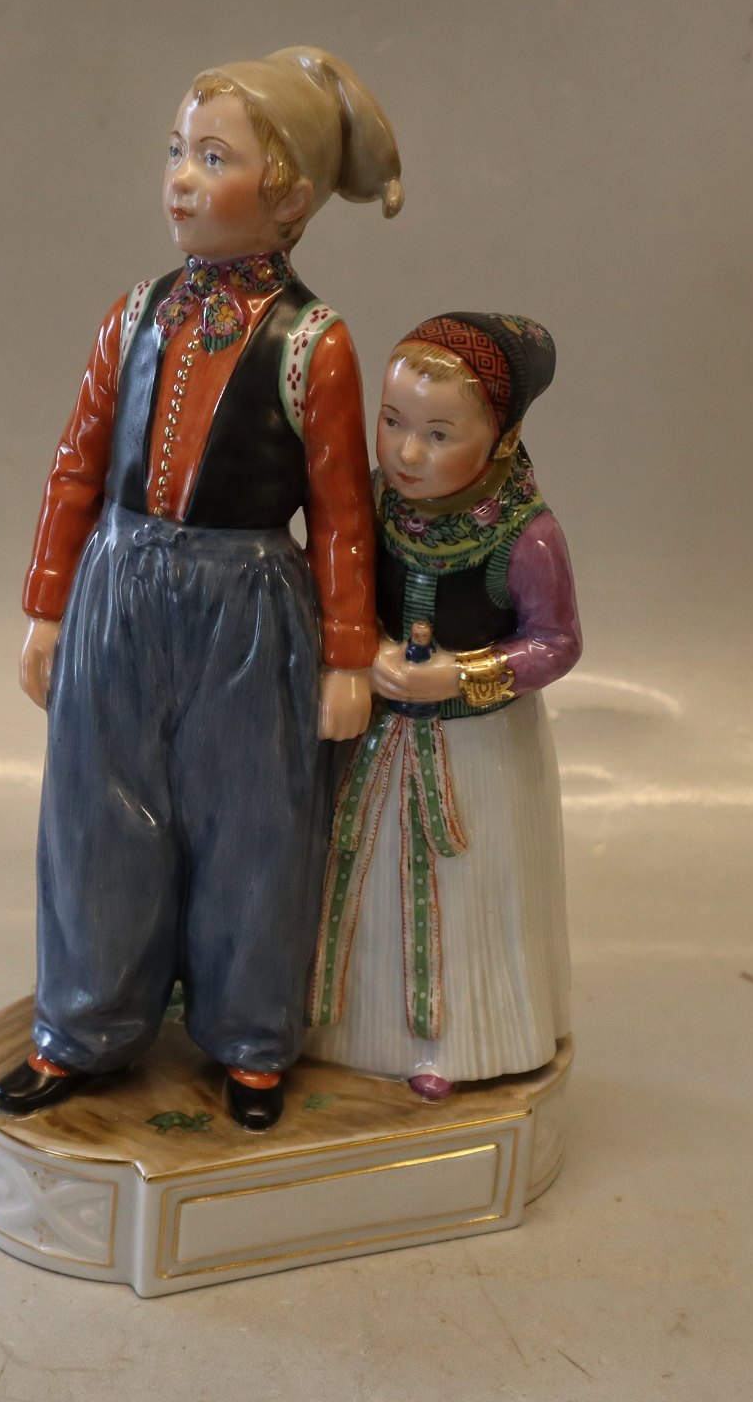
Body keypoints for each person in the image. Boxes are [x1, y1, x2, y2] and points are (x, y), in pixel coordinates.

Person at [0, 48, 403, 1130]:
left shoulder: (315, 345)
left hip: (247, 605)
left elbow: (341, 513)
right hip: (119, 587)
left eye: (212, 158)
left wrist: (345, 656)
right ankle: (84, 1023)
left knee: (253, 823)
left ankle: (252, 1037)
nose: (179, 176)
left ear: (291, 197)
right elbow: (77, 467)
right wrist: (47, 607)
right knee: (96, 813)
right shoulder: (132, 316)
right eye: (176, 150)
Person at [305, 313, 581, 1099]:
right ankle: (338, 1027)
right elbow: (328, 581)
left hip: (477, 756)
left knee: (464, 896)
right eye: (392, 423)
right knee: (355, 876)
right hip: (372, 734)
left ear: (501, 438)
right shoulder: (373, 503)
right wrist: (363, 649)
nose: (405, 453)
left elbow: (557, 643)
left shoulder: (527, 538)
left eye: (437, 435)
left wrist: (464, 675)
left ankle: (458, 1042)